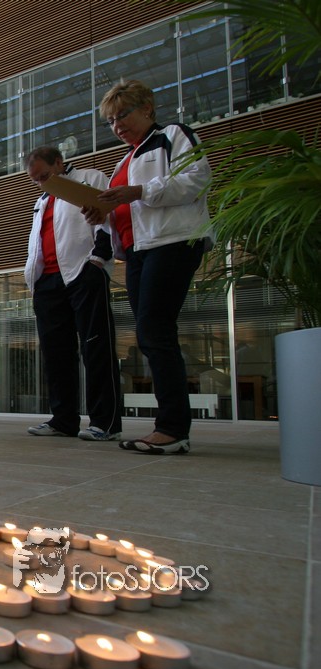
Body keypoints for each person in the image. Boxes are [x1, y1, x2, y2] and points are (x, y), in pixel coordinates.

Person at [86, 79, 212, 455]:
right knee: (149, 334)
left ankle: (172, 428)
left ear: (147, 109)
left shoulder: (172, 136)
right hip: (138, 252)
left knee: (156, 331)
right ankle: (172, 425)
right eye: (110, 121)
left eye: (122, 115)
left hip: (171, 242)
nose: (117, 125)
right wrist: (103, 214)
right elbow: (128, 212)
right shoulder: (122, 162)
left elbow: (197, 179)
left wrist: (139, 191)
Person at [23, 146, 123, 441]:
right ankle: (63, 420)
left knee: (96, 348)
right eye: (34, 180)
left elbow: (109, 220)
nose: (40, 183)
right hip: (47, 281)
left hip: (83, 272)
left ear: (59, 162)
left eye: (43, 175)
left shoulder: (90, 178)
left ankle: (105, 422)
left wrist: (98, 260)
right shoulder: (42, 200)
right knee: (56, 353)